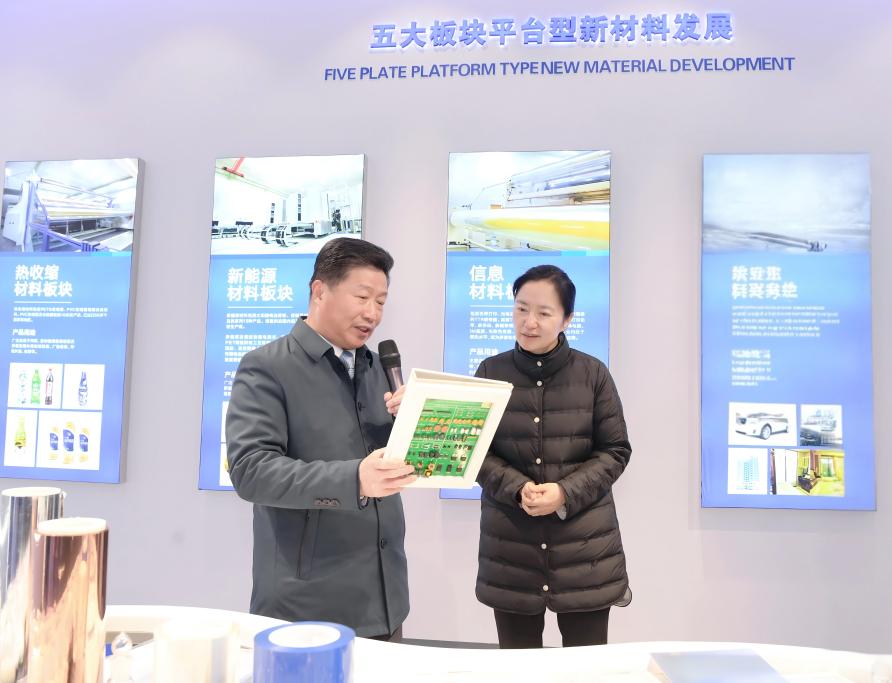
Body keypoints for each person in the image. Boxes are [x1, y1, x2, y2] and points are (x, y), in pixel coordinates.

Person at [226, 237, 416, 640]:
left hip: (386, 598)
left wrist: (415, 428)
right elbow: (251, 471)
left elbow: (386, 464)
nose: (372, 313)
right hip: (306, 605)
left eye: (381, 301)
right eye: (362, 297)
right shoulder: (267, 367)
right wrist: (355, 479)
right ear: (319, 291)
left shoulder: (378, 367)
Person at [474, 264, 632, 649]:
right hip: (511, 548)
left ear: (567, 319)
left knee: (585, 668)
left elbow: (615, 450)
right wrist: (517, 488)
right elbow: (474, 451)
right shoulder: (490, 371)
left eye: (543, 313)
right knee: (519, 667)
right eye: (521, 309)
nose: (529, 322)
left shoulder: (593, 374)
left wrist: (564, 492)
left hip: (585, 549)